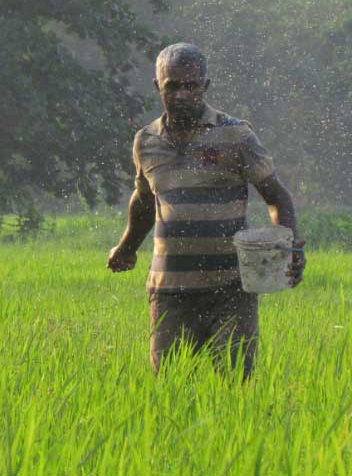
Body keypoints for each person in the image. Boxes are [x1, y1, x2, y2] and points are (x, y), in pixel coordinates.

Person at [107, 43, 306, 377]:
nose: (182, 94)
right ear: (158, 86)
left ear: (205, 86)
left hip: (231, 289)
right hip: (170, 290)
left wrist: (289, 246)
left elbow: (276, 196)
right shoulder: (146, 141)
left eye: (191, 85)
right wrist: (126, 248)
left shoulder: (236, 135)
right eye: (172, 85)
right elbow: (143, 201)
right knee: (169, 389)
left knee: (234, 389)